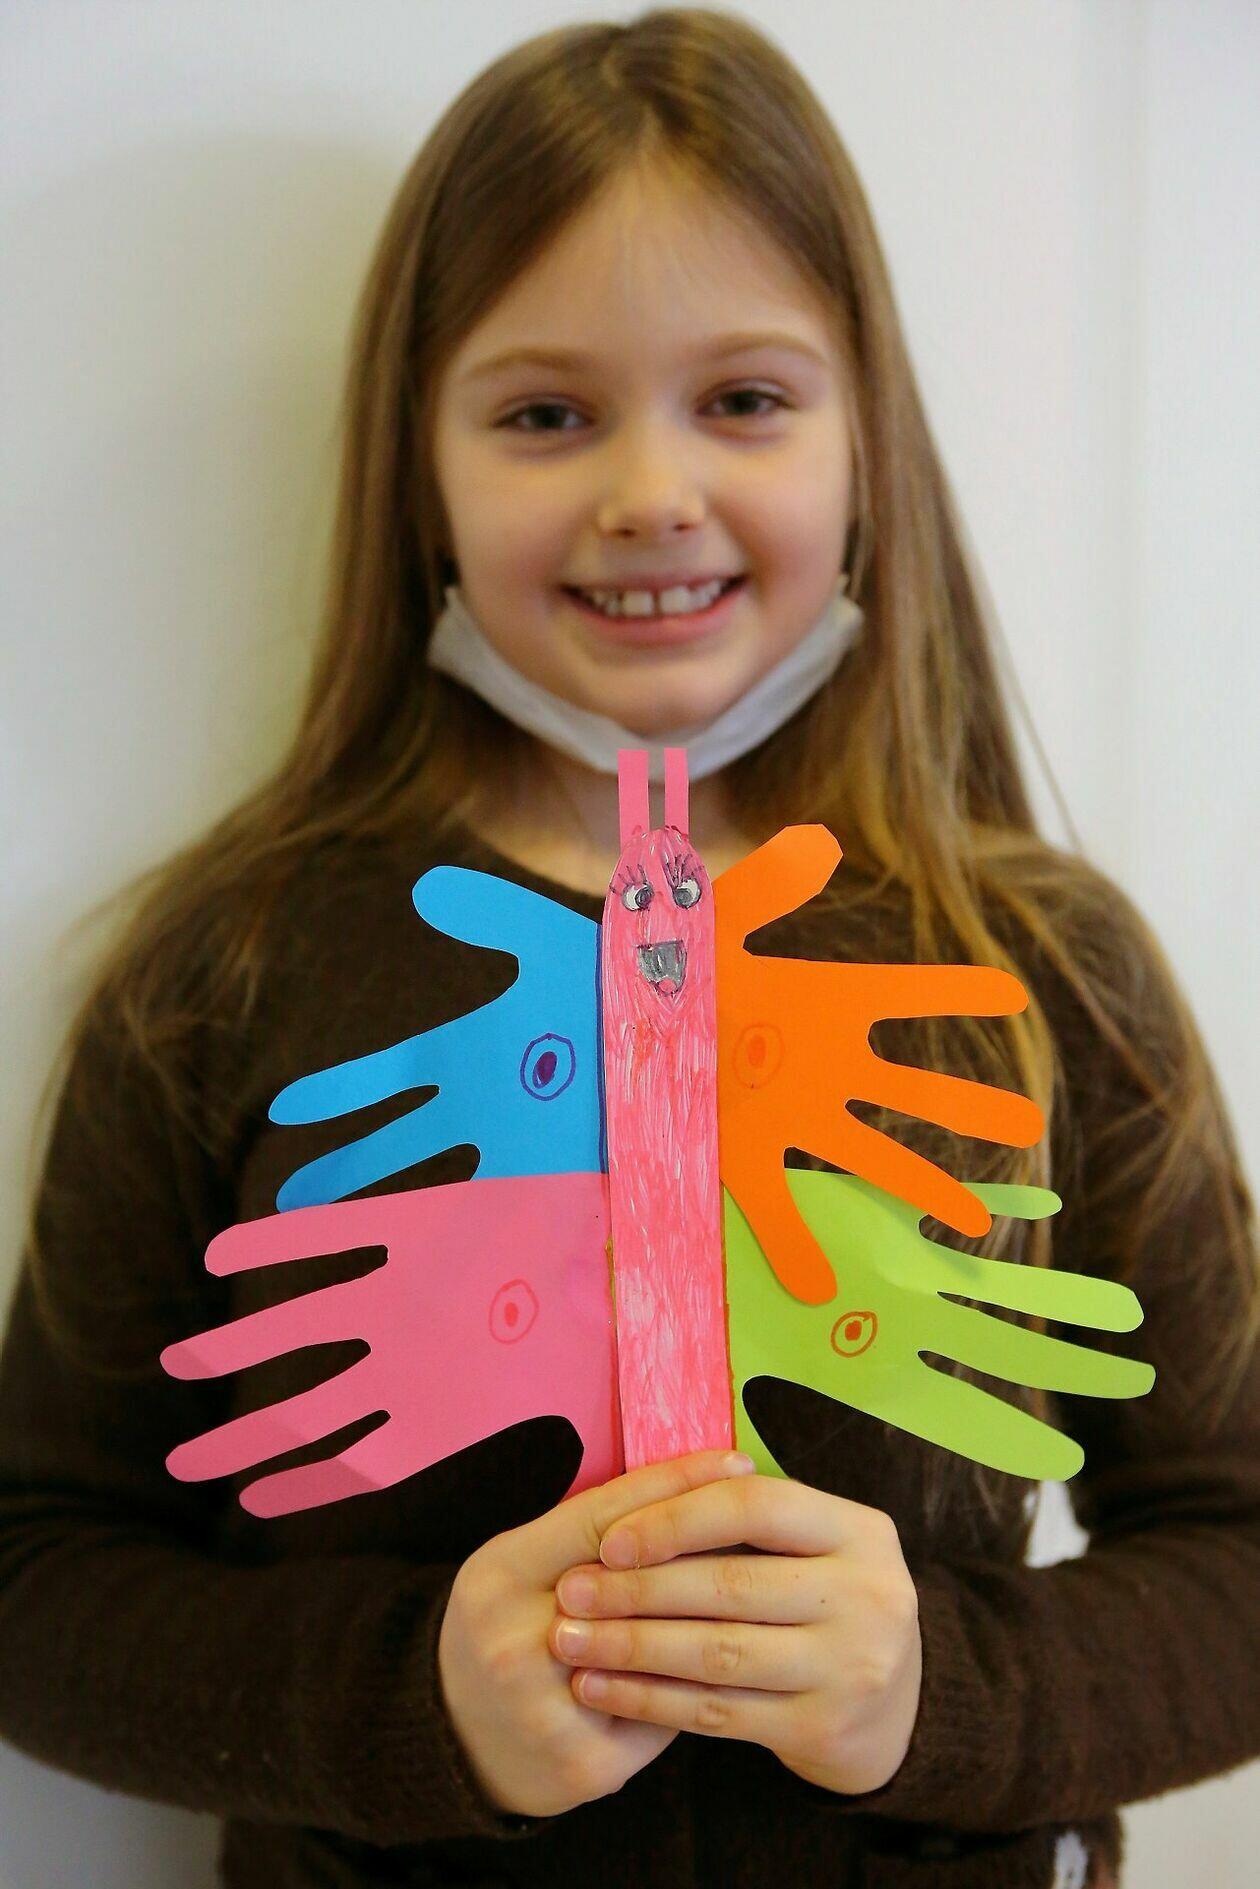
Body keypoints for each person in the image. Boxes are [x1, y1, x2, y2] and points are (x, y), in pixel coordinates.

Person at [1, 9, 1256, 1887]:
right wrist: (414, 1695)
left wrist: (938, 1689)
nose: (651, 490)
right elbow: (38, 1567)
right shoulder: (226, 971)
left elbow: (1236, 1548)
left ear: (866, 439)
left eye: (744, 399)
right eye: (545, 414)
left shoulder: (1048, 970)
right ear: (419, 467)